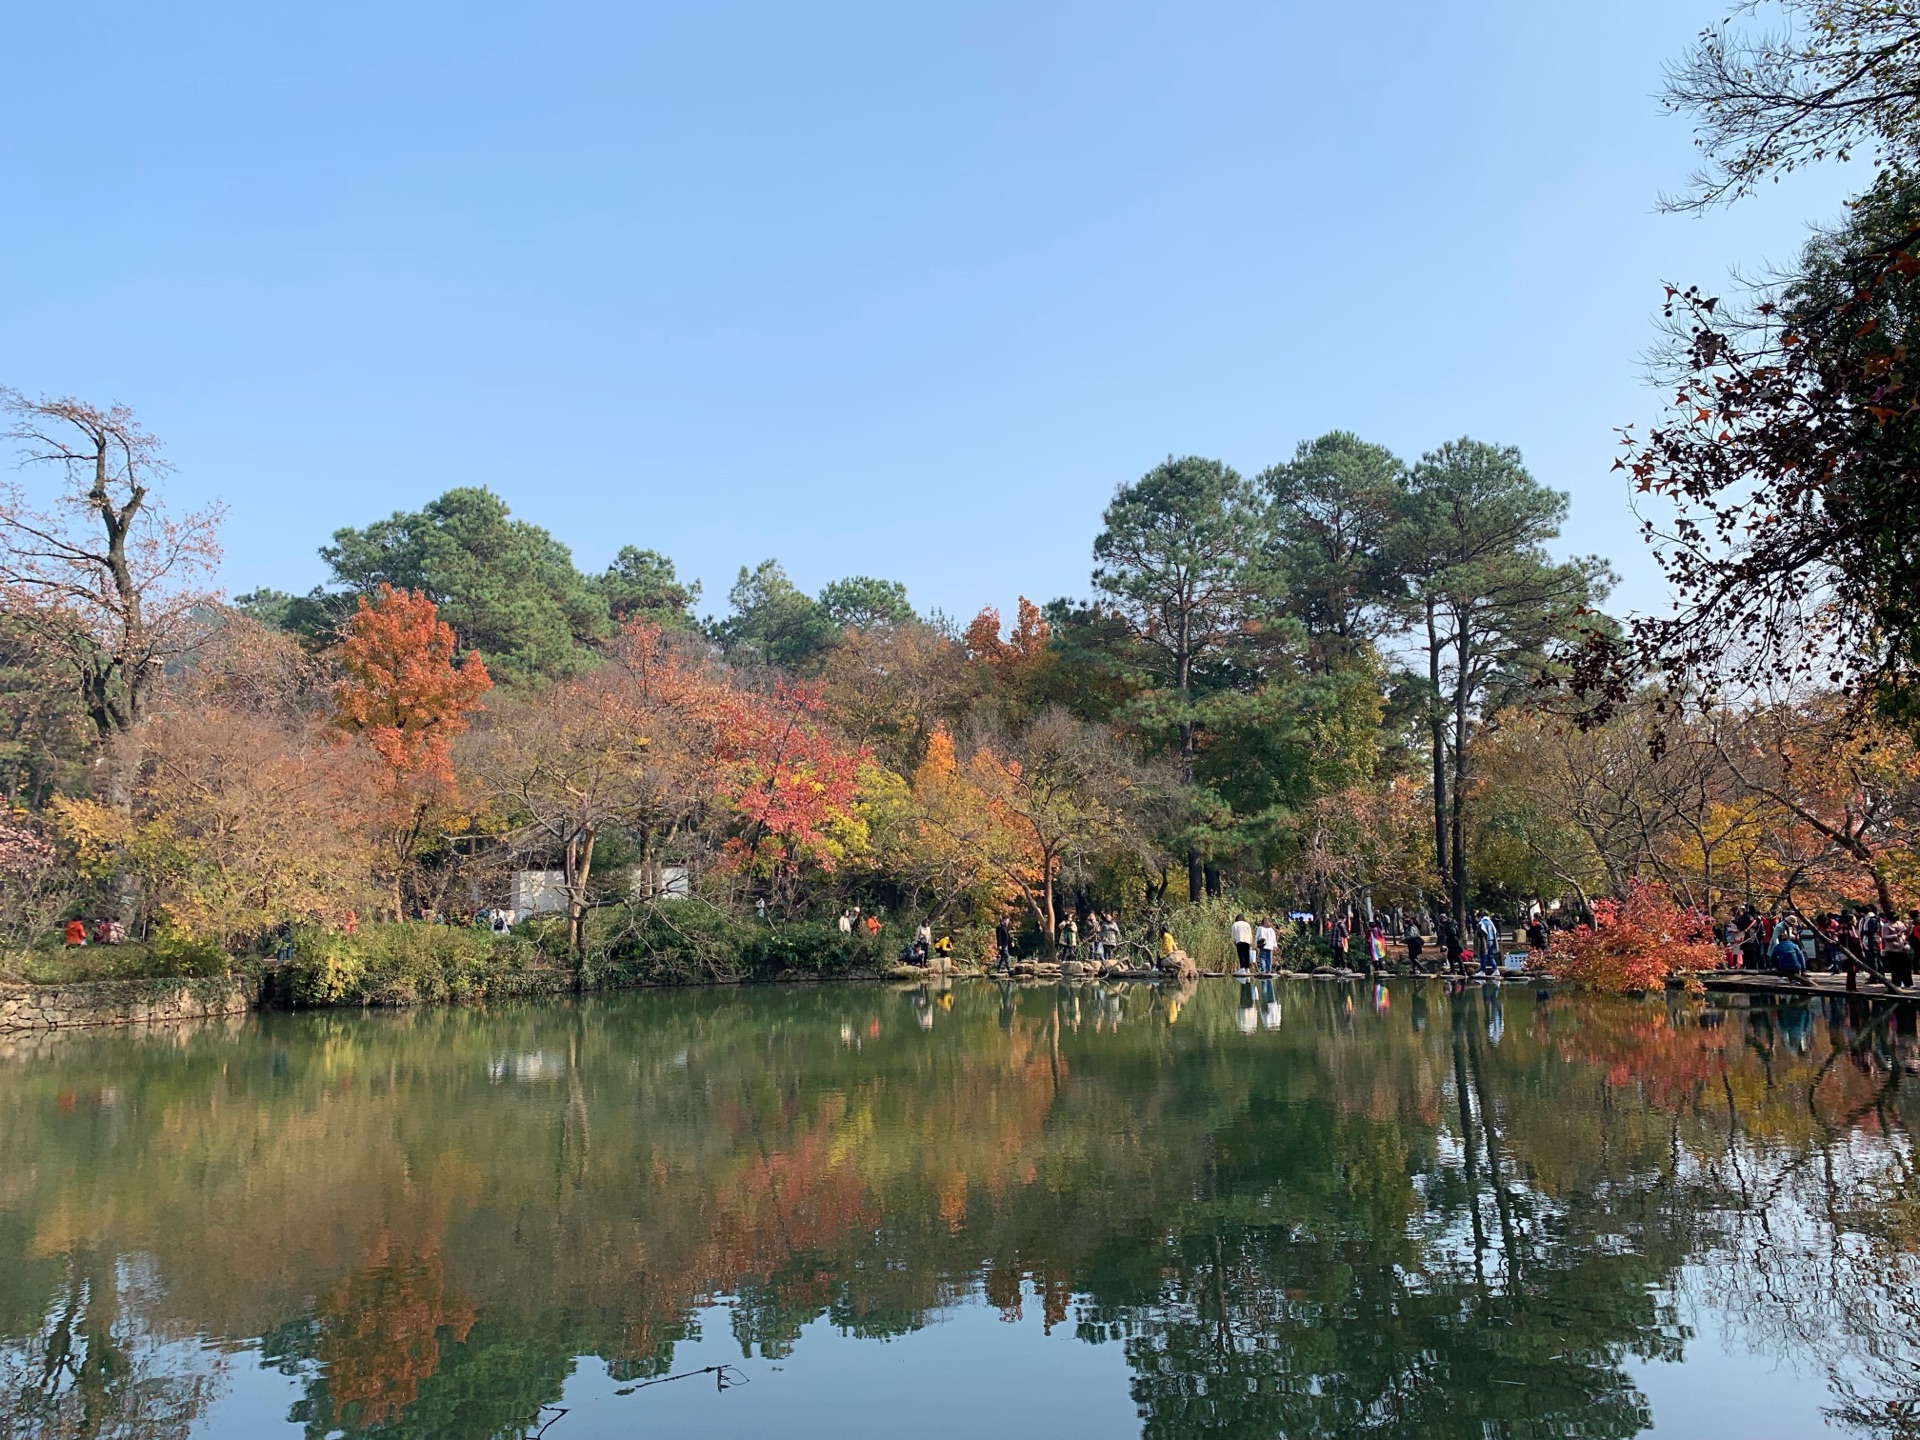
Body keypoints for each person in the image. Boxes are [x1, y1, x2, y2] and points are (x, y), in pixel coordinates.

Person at [1475, 910, 1499, 976]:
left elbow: (1479, 934)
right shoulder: (1490, 922)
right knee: (1490, 956)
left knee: (1483, 955)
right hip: (1492, 940)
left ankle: (1483, 971)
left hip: (1485, 941)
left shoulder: (1481, 923)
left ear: (1480, 917)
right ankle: (1496, 969)